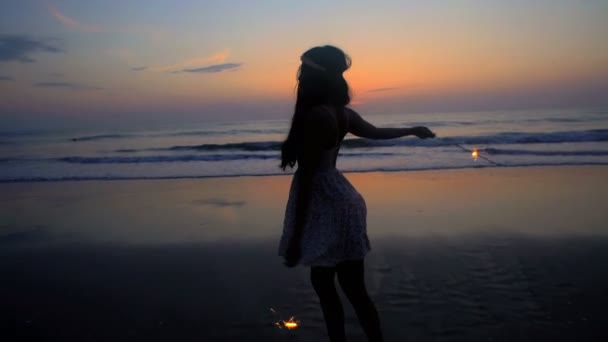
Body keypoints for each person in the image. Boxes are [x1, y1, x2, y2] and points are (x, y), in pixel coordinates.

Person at [278, 45, 435, 342]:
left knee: (326, 289)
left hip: (325, 203)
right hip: (345, 200)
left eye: (302, 72)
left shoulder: (315, 116)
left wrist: (297, 238)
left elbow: (309, 178)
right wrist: (412, 130)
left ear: (310, 78)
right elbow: (376, 133)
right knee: (355, 290)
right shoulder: (341, 113)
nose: (298, 77)